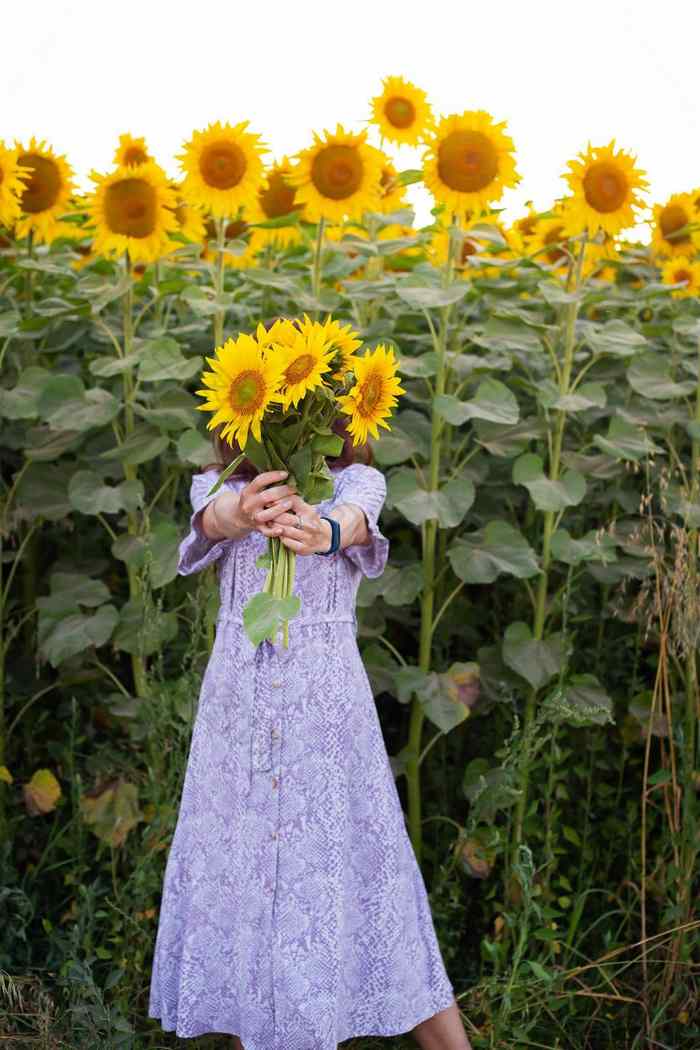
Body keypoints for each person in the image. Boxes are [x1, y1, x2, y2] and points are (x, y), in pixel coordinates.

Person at [148, 422, 473, 1050]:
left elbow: (352, 521)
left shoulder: (358, 481)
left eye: (302, 413)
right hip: (237, 721)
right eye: (276, 414)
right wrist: (242, 511)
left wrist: (320, 531)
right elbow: (211, 522)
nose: (293, 428)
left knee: (370, 872)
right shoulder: (219, 487)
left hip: (324, 722)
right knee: (245, 878)